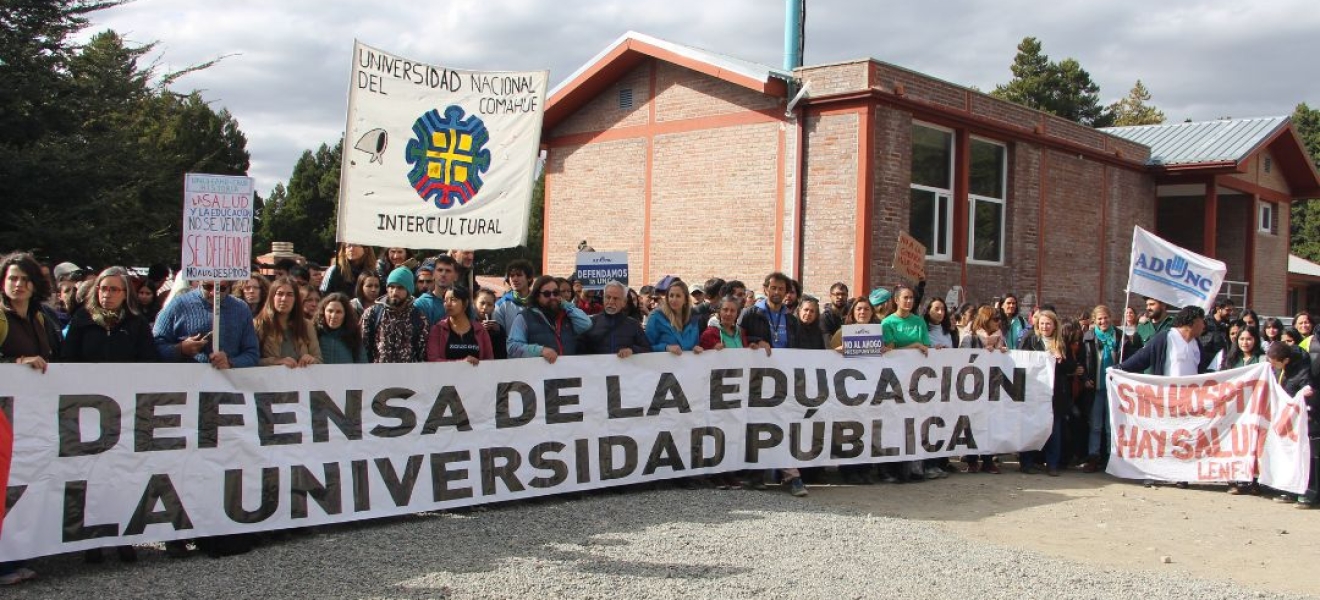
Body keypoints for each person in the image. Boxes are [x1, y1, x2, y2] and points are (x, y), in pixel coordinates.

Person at [62, 268, 157, 564]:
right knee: (91, 475)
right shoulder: (82, 322)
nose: (108, 294)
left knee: (124, 474)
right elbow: (67, 362)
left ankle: (124, 539)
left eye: (115, 289)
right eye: (104, 288)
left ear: (125, 294)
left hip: (126, 413)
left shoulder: (136, 324)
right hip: (88, 413)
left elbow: (150, 363)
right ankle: (93, 541)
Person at [153, 279, 259, 369]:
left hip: (228, 388)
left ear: (229, 287)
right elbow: (155, 347)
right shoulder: (178, 305)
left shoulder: (241, 309)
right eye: (208, 287)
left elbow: (252, 354)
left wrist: (231, 362)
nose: (214, 293)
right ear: (199, 282)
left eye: (221, 288)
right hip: (187, 385)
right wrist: (180, 349)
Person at [1079, 305, 1135, 473]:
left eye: (1106, 318)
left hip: (1115, 389)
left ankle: (1112, 457)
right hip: (1095, 387)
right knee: (1096, 425)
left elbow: (1129, 361)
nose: (1103, 321)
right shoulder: (1087, 338)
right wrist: (1084, 379)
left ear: (1111, 318)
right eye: (1099, 319)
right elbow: (1082, 362)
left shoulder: (1121, 337)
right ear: (1094, 321)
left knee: (1112, 425)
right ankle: (1094, 457)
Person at [1017, 310, 1074, 476]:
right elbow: (1020, 359)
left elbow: (1072, 367)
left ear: (1054, 325)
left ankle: (1052, 464)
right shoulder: (1030, 339)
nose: (1044, 326)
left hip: (1055, 395)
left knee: (1053, 430)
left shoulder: (1061, 343)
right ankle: (1027, 462)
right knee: (1030, 427)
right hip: (1033, 392)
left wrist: (1060, 360)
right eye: (1042, 323)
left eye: (1048, 323)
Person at [1265, 341, 1316, 505]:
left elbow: (1302, 388)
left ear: (1285, 361)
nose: (1272, 366)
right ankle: (1289, 489)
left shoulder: (1301, 369)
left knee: (1301, 453)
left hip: (1302, 416)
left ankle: (1305, 491)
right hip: (1286, 415)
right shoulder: (1285, 364)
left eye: (1274, 363)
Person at [959, 305, 1007, 474]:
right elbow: (962, 360)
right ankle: (972, 461)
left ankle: (988, 460)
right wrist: (981, 353)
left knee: (990, 422)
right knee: (971, 423)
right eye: (995, 319)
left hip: (992, 386)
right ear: (986, 320)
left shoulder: (999, 337)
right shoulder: (970, 337)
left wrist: (1002, 353)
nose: (999, 322)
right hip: (973, 386)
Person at [507, 275, 591, 362]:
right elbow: (513, 347)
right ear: (537, 296)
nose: (552, 297)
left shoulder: (567, 314)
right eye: (547, 294)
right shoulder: (525, 317)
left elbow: (586, 324)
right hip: (539, 373)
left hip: (568, 372)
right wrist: (540, 351)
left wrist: (564, 304)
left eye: (555, 293)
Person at [360, 267, 429, 363]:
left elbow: (422, 353)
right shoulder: (372, 313)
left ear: (408, 290)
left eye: (400, 288)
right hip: (378, 374)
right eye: (391, 287)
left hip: (408, 374)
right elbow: (363, 350)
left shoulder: (418, 317)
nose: (395, 292)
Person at [255, 277, 322, 368]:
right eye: (280, 294)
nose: (284, 299)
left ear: (296, 299)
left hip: (301, 381)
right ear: (272, 297)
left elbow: (319, 359)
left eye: (289, 295)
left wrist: (311, 359)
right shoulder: (258, 324)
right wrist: (275, 361)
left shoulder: (307, 325)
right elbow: (252, 360)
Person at [581, 280, 650, 357]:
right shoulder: (591, 323)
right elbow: (579, 352)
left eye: (615, 298)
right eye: (608, 297)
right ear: (603, 299)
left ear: (624, 302)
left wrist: (632, 350)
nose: (611, 302)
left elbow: (647, 349)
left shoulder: (633, 325)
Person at [426, 286, 494, 364]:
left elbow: (489, 360)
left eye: (453, 300)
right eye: (445, 300)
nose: (448, 304)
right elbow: (433, 360)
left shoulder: (480, 330)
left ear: (465, 303)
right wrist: (460, 363)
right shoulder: (438, 330)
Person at [740, 272, 802, 350]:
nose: (777, 292)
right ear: (765, 290)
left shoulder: (792, 320)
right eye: (773, 288)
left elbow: (797, 345)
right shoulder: (751, 314)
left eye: (781, 289)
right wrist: (757, 341)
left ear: (786, 292)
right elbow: (739, 337)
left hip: (786, 361)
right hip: (760, 360)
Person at [646, 277, 704, 355]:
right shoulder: (656, 317)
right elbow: (647, 346)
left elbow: (694, 344)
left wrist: (696, 348)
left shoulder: (693, 320)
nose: (674, 299)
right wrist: (666, 347)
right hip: (663, 366)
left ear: (685, 300)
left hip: (687, 365)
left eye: (678, 296)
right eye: (671, 296)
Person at [316, 293, 365, 364]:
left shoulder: (354, 337)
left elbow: (362, 365)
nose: (333, 316)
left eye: (338, 312)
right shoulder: (315, 333)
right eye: (330, 311)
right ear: (323, 312)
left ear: (345, 315)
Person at [881, 285, 929, 354]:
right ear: (896, 300)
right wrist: (915, 346)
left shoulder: (920, 321)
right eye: (905, 298)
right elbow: (890, 351)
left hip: (918, 363)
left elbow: (926, 346)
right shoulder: (887, 322)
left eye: (911, 298)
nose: (909, 301)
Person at [493, 259, 535, 334]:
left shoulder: (539, 302)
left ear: (529, 278)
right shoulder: (501, 305)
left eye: (519, 275)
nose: (514, 279)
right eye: (511, 276)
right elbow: (499, 336)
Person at [475, 287, 507, 359]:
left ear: (493, 307)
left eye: (489, 305)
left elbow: (501, 354)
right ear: (475, 303)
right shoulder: (466, 325)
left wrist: (498, 333)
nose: (485, 307)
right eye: (482, 303)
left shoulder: (497, 328)